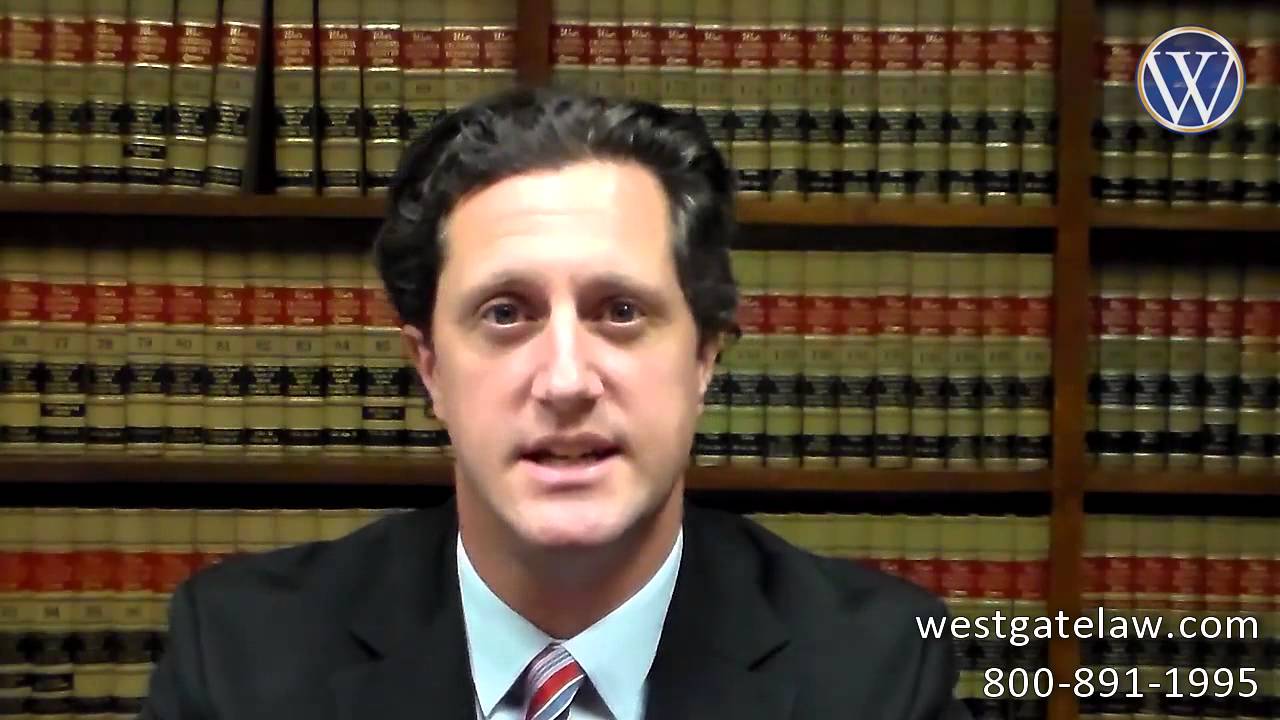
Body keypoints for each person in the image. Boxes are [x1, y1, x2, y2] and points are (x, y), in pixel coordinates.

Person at [141, 87, 971, 720]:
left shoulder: (876, 671)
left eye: (621, 311)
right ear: (429, 369)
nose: (567, 381)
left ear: (704, 358)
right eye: (506, 314)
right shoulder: (240, 659)